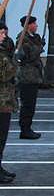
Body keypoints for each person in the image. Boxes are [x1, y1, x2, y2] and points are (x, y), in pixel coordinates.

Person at [15, 16, 43, 139]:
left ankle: (28, 127)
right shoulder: (22, 39)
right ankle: (25, 129)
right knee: (27, 104)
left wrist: (38, 43)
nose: (36, 26)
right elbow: (28, 55)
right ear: (28, 25)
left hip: (34, 76)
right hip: (27, 76)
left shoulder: (33, 38)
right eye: (34, 23)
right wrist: (39, 47)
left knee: (31, 105)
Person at [0, 25, 18, 183]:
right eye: (1, 33)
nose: (4, 36)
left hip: (5, 99)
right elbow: (4, 74)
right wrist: (13, 62)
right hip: (1, 99)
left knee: (3, 137)